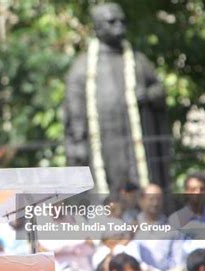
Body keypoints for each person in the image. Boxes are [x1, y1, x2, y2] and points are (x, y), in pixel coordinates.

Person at [63, 2, 170, 193]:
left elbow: (160, 91)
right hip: (102, 153)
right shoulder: (82, 68)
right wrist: (78, 147)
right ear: (97, 27)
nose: (119, 25)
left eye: (122, 21)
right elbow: (73, 118)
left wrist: (148, 95)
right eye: (112, 22)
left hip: (137, 153)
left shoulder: (138, 61)